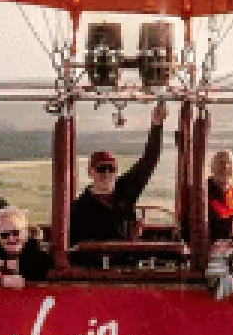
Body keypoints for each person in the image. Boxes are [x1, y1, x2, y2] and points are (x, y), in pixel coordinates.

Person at [71, 101, 169, 245]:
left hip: (127, 260)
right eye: (101, 168)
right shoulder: (80, 208)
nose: (106, 173)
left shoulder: (125, 190)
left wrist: (157, 124)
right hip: (95, 264)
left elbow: (149, 160)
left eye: (111, 169)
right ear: (90, 172)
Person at [0, 207, 51, 288]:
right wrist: (1, 276)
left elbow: (38, 269)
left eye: (16, 233)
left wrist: (1, 267)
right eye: (4, 235)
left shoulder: (37, 249)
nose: (11, 238)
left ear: (26, 233)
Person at [207, 148, 233, 243]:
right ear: (212, 167)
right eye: (221, 163)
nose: (225, 167)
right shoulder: (201, 192)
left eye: (229, 164)